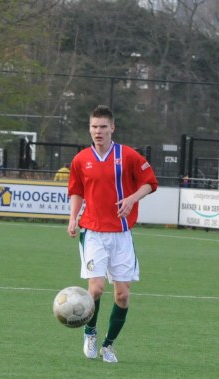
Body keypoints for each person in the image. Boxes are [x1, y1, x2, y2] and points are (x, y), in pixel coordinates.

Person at [66, 105, 158, 363]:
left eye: (103, 127)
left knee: (122, 295)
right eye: (94, 127)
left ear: (112, 128)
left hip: (121, 234)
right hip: (93, 232)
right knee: (95, 290)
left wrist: (131, 198)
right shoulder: (80, 159)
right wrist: (73, 217)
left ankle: (108, 344)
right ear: (89, 129)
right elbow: (76, 191)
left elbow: (150, 182)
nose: (98, 131)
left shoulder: (128, 156)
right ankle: (90, 332)